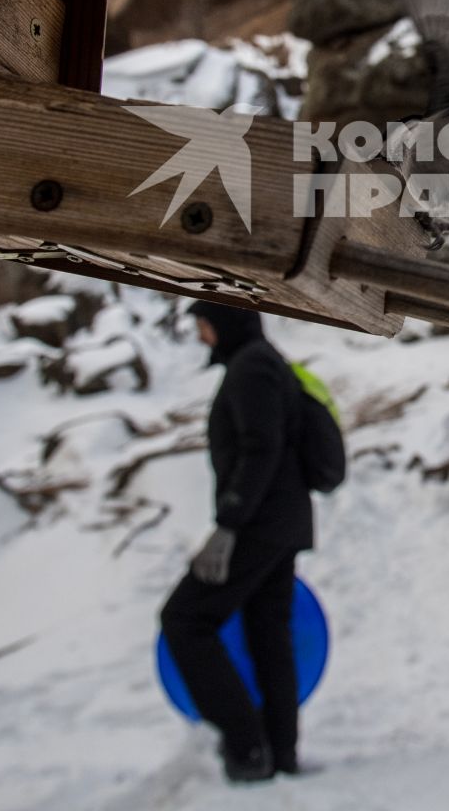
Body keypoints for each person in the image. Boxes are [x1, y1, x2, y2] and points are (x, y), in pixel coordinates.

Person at [159, 301, 312, 784]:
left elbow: (260, 447)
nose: (203, 336)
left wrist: (228, 525)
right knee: (269, 633)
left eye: (204, 325)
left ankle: (246, 746)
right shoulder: (264, 361)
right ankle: (278, 754)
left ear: (224, 325)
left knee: (185, 620)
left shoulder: (251, 368)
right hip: (279, 522)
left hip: (258, 525)